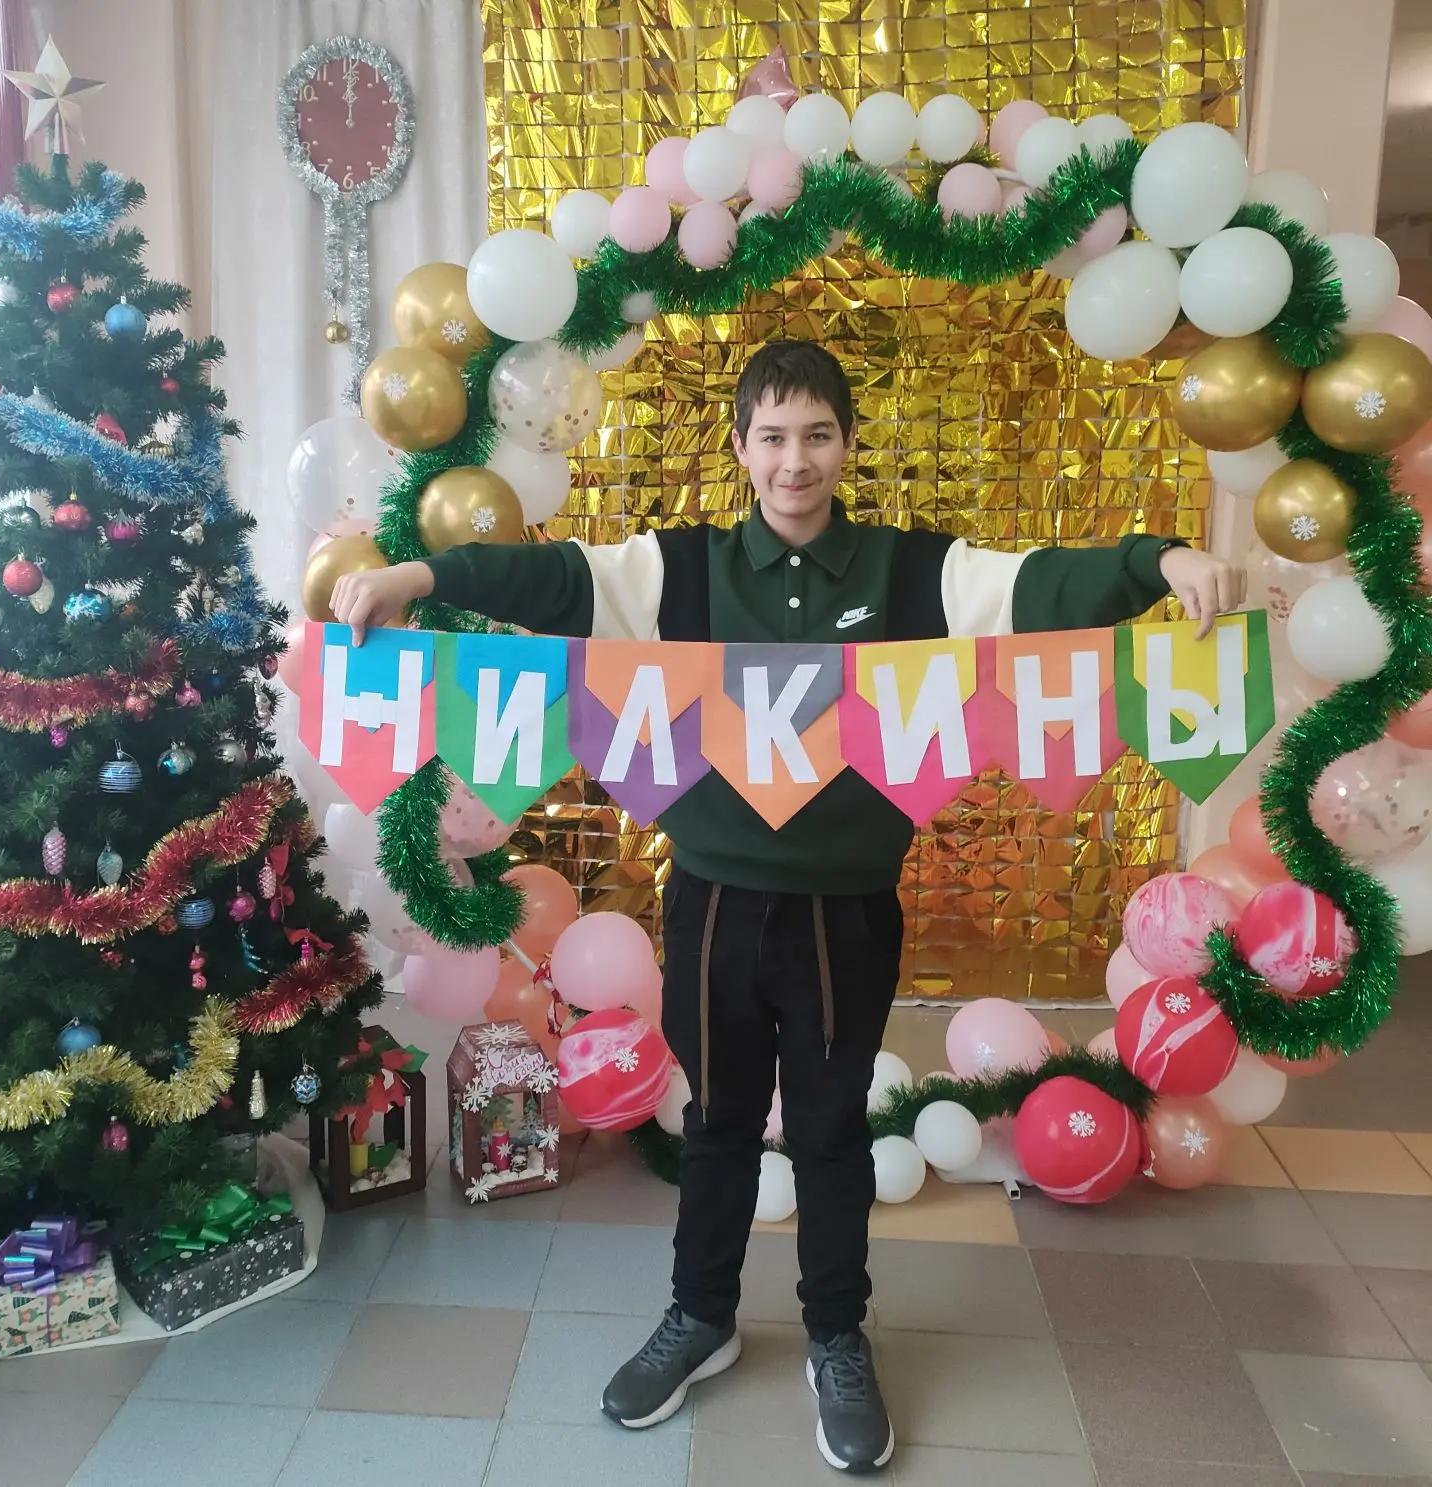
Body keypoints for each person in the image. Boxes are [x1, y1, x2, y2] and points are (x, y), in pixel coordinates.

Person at [331, 340, 1245, 1473]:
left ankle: (836, 1334)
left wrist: (1159, 558)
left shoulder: (917, 572)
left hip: (845, 911)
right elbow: (552, 577)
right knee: (716, 1124)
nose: (794, 460)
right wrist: (418, 579)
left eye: (816, 434)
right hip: (714, 903)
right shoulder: (680, 571)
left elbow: (1045, 583)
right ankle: (700, 1316)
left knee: (828, 1131)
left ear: (848, 443)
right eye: (772, 436)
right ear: (741, 447)